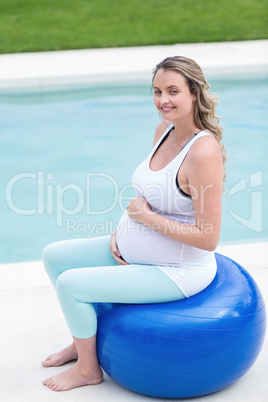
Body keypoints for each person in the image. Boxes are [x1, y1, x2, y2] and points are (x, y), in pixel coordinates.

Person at [41, 56, 226, 392]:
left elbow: (209, 238)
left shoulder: (203, 153)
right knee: (54, 256)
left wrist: (145, 220)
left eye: (173, 91)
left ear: (194, 94)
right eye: (157, 91)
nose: (163, 100)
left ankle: (87, 370)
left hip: (178, 270)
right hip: (138, 249)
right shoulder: (164, 130)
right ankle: (81, 343)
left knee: (72, 286)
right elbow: (153, 196)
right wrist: (122, 233)